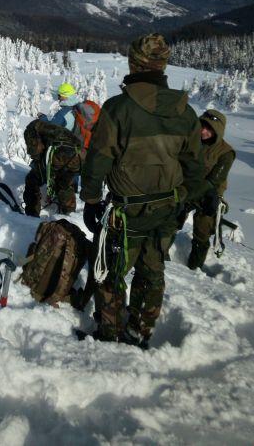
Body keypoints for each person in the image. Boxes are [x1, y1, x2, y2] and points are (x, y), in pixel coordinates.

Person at [81, 33, 205, 348]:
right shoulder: (185, 112)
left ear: (134, 64)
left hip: (126, 212)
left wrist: (92, 200)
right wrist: (182, 203)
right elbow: (195, 169)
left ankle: (109, 333)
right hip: (166, 211)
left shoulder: (118, 109)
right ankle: (139, 331)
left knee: (109, 269)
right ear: (162, 65)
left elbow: (98, 161)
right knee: (152, 271)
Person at [180, 109, 236, 270]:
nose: (203, 131)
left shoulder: (226, 153)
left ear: (217, 131)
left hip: (209, 193)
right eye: (202, 126)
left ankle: (194, 266)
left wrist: (184, 195)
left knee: (203, 230)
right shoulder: (191, 141)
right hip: (186, 187)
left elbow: (214, 180)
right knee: (172, 219)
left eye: (209, 129)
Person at [23, 119, 81, 216]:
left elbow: (35, 151)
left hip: (58, 155)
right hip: (71, 156)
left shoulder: (34, 129)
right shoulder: (49, 130)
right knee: (63, 183)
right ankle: (69, 213)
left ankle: (32, 213)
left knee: (33, 180)